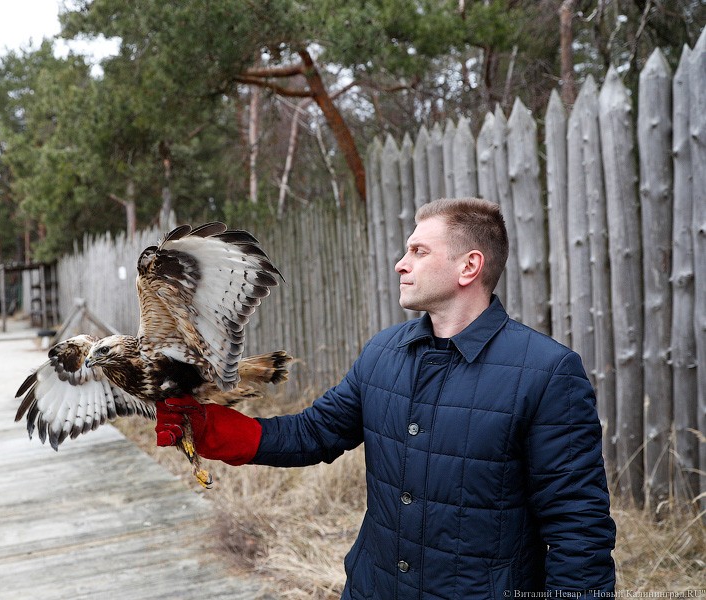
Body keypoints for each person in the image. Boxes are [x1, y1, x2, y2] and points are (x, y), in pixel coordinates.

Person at [155, 197, 616, 599]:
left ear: (469, 266)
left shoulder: (546, 373)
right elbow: (316, 432)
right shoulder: (384, 353)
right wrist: (211, 428)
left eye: (419, 251)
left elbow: (579, 530)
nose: (400, 263)